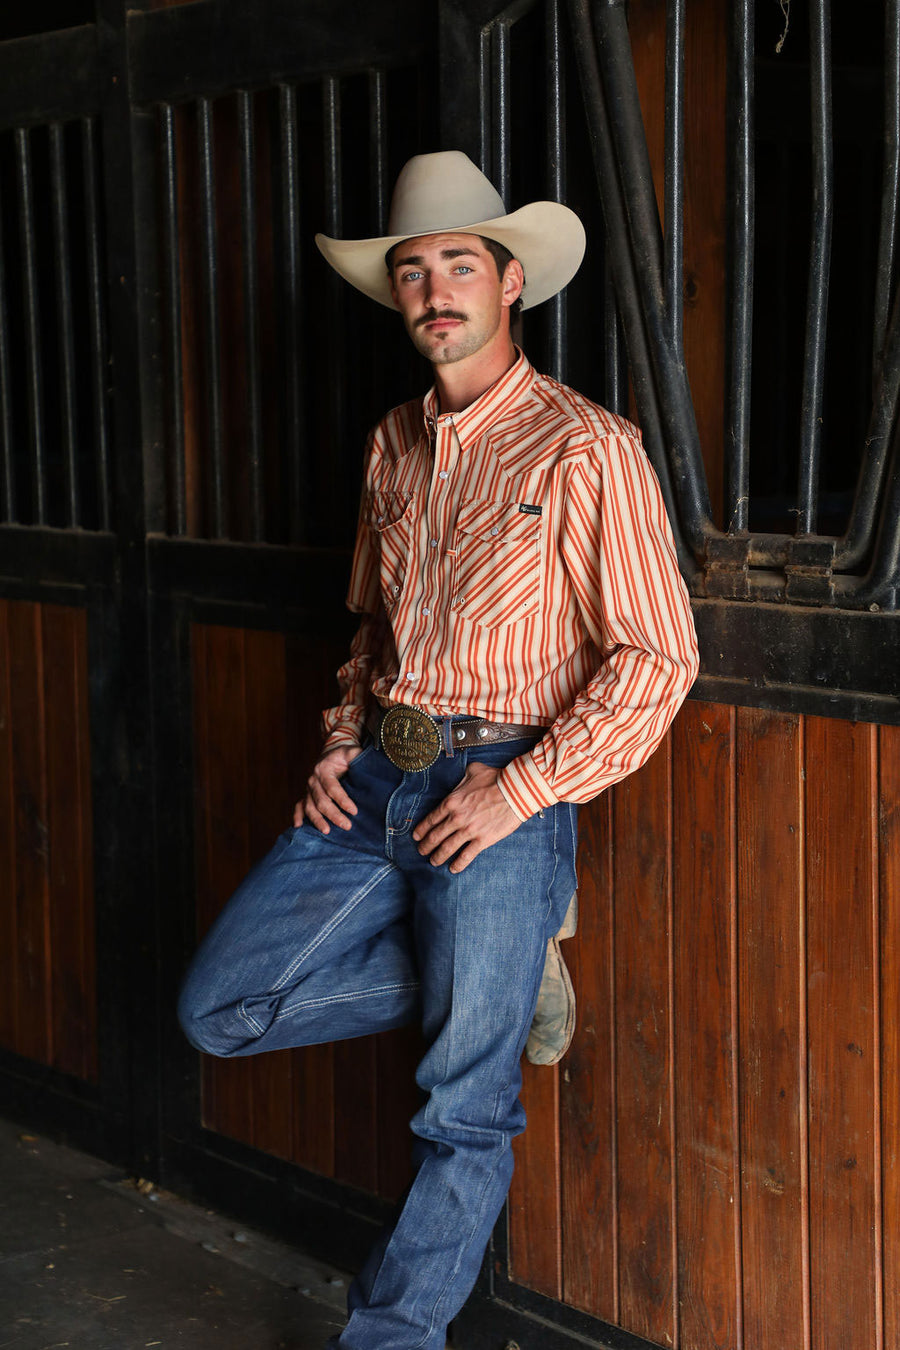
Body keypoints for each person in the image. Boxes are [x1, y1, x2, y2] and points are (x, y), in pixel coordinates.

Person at [177, 150, 699, 1350]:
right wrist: (341, 739)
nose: (433, 290)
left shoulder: (587, 448)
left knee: (463, 1111)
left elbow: (658, 657)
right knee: (221, 1009)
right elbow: (374, 629)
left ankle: (389, 1338)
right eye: (412, 270)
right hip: (373, 784)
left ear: (510, 282)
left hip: (496, 795)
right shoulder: (393, 445)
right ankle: (506, 982)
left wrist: (522, 793)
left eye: (459, 264)